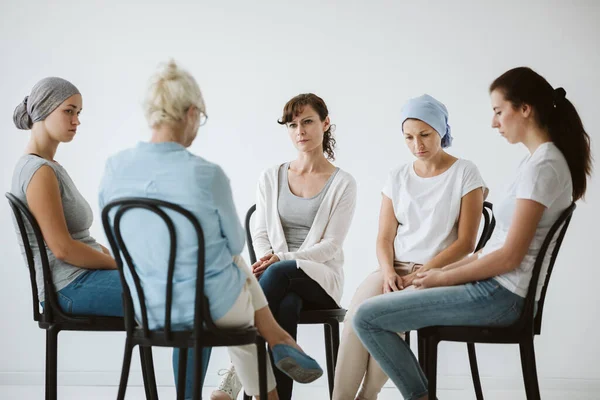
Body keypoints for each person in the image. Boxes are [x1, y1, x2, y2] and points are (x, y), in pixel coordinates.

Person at [353, 67, 592, 400]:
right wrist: (439, 272)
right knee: (370, 309)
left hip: (503, 297)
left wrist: (442, 278)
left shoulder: (544, 167)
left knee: (367, 316)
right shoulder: (534, 162)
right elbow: (490, 248)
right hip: (494, 289)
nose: (494, 122)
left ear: (525, 108)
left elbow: (509, 256)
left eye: (498, 111)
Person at [99, 61, 323, 400]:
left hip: (146, 306)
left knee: (235, 286)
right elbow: (235, 241)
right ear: (190, 113)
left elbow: (120, 241)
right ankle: (278, 342)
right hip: (209, 308)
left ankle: (256, 356)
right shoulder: (205, 174)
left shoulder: (114, 168)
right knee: (237, 280)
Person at [9, 76, 213, 399]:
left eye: (79, 113)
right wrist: (119, 264)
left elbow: (80, 239)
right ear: (45, 109)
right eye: (70, 111)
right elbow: (63, 249)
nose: (77, 121)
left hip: (81, 280)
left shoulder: (47, 166)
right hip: (70, 288)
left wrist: (126, 261)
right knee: (193, 302)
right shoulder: (38, 172)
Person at [333, 94, 487, 400]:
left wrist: (424, 272)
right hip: (395, 268)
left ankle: (368, 395)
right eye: (409, 137)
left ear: (442, 130)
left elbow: (466, 243)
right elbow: (383, 237)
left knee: (387, 319)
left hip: (439, 273)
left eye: (425, 134)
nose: (418, 144)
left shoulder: (465, 172)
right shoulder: (397, 176)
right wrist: (389, 271)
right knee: (356, 316)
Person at [212, 93, 357, 400]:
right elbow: (260, 231)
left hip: (320, 279)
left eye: (307, 122)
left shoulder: (343, 183)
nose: (299, 131)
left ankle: (238, 372)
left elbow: (331, 245)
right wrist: (270, 257)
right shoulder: (271, 176)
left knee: (280, 272)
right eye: (292, 125)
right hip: (277, 279)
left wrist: (280, 258)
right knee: (286, 302)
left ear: (325, 123)